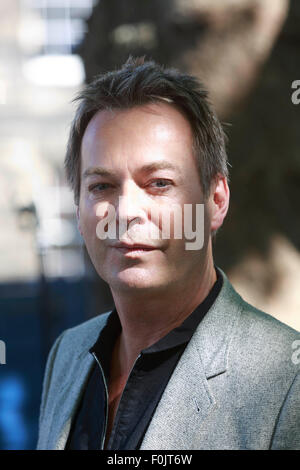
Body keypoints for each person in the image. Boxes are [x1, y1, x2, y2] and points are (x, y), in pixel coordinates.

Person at [37, 57, 299, 450]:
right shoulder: (67, 355)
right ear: (78, 210)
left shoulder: (288, 382)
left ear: (216, 200)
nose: (126, 212)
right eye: (101, 186)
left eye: (159, 183)